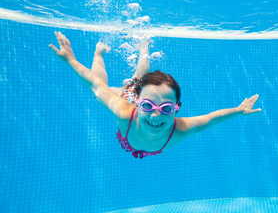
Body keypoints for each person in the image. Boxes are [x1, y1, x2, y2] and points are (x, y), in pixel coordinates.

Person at [49, 31, 262, 159]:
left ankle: (143, 50)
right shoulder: (126, 113)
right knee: (104, 91)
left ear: (177, 107)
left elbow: (210, 119)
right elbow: (95, 84)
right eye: (150, 107)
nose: (156, 116)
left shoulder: (179, 129)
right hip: (129, 96)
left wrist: (238, 110)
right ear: (140, 104)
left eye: (167, 109)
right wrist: (71, 60)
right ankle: (101, 52)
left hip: (139, 99)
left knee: (138, 77)